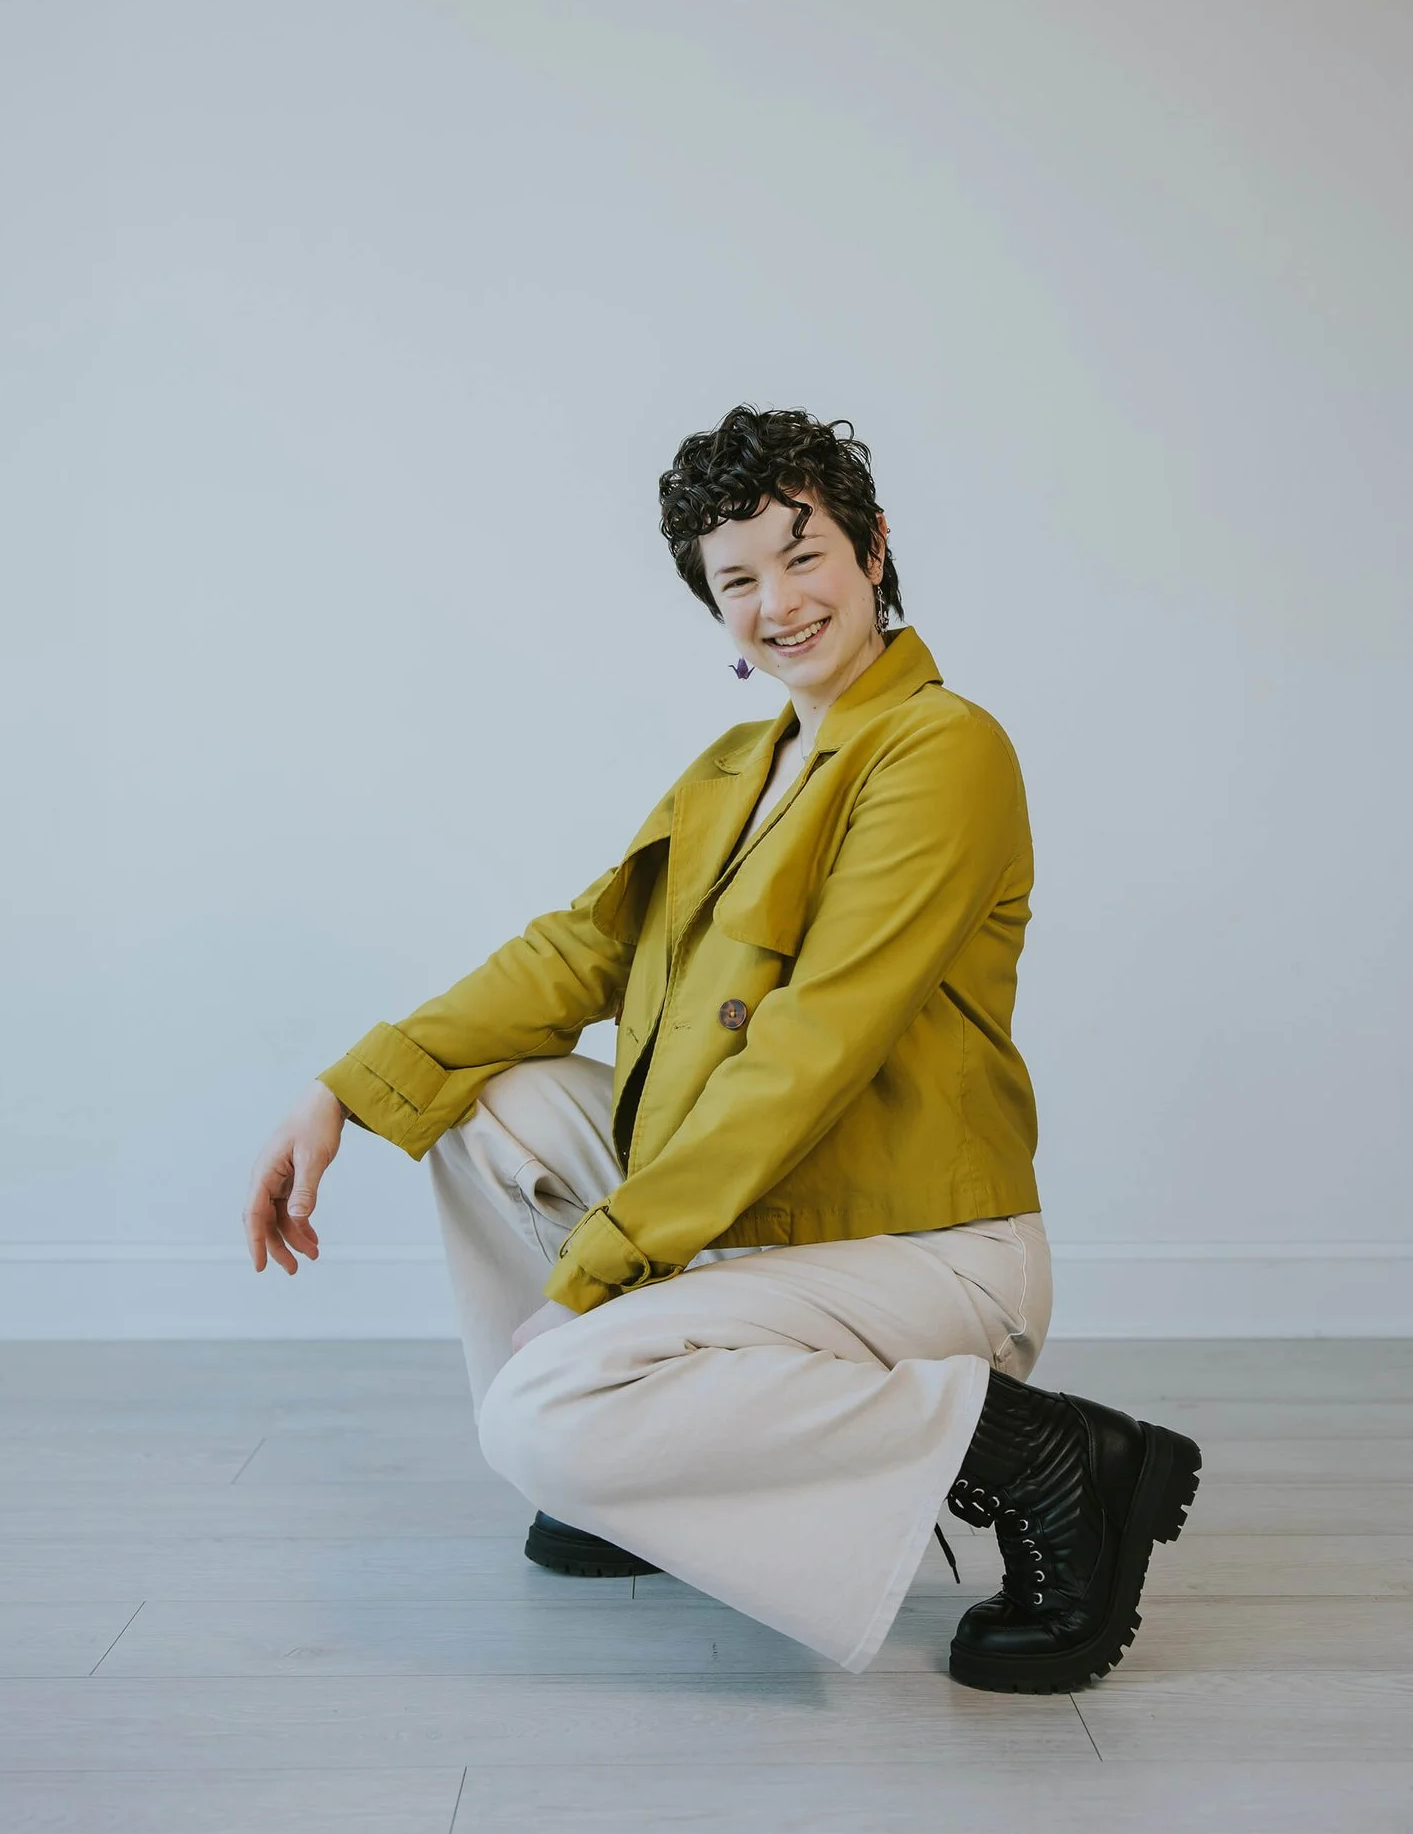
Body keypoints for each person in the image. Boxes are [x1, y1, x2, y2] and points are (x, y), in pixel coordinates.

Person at [241, 405, 1200, 1691]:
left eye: (802, 556)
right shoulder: (735, 767)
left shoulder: (943, 750)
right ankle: (632, 1480)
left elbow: (812, 1047)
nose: (777, 603)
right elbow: (580, 952)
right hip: (766, 1223)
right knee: (486, 1098)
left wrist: (595, 1272)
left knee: (536, 1414)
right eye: (736, 579)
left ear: (871, 549)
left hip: (920, 1254)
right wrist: (347, 1088)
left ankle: (1045, 1454)